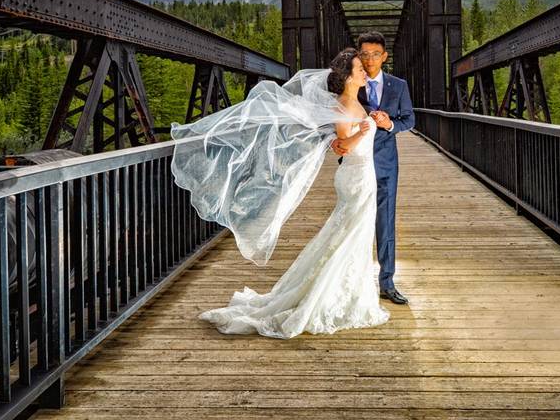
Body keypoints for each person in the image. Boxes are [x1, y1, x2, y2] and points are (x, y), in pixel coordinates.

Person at [169, 48, 390, 339]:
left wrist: (378, 121)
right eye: (360, 69)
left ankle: (352, 293)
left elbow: (353, 136)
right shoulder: (343, 105)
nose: (365, 72)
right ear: (348, 76)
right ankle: (330, 296)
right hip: (355, 178)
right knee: (350, 233)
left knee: (353, 235)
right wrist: (363, 131)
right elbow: (342, 146)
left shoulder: (356, 103)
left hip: (365, 175)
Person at [331, 32, 414, 305]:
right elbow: (334, 117)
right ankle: (350, 281)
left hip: (387, 163)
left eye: (374, 54)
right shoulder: (352, 83)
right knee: (354, 223)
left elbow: (409, 120)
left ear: (384, 56)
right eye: (364, 54)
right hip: (357, 166)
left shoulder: (398, 86)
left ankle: (387, 282)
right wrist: (335, 141)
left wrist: (390, 124)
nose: (368, 60)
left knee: (385, 222)